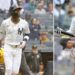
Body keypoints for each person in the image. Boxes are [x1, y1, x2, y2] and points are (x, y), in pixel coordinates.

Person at [0, 5, 30, 75]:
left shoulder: (24, 23)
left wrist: (24, 42)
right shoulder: (5, 22)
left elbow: (27, 33)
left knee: (15, 71)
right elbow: (1, 34)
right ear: (12, 12)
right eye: (16, 10)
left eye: (19, 10)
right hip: (8, 47)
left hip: (18, 48)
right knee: (8, 69)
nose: (18, 12)